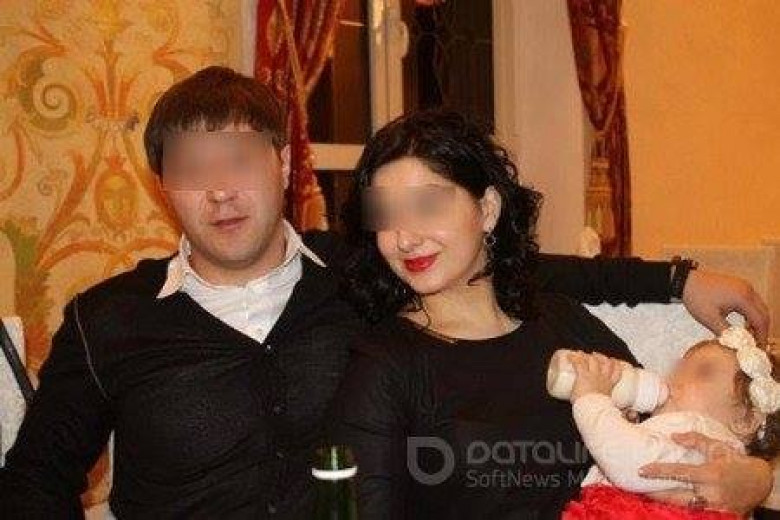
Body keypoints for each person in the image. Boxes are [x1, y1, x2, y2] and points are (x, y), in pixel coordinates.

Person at [0, 67, 769, 519]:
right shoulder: (109, 319)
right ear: (162, 187)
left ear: (283, 165)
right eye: (192, 169)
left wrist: (678, 279)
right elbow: (35, 482)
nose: (220, 190)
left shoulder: (353, 273)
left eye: (238, 159)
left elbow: (519, 275)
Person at [332, 110, 774, 519]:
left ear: (487, 209)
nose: (404, 238)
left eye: (428, 205)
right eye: (385, 214)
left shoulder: (563, 322)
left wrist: (755, 478)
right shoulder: (384, 364)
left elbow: (669, 432)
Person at [562, 326, 780, 519]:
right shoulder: (692, 436)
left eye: (703, 372)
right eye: (679, 369)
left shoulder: (698, 430)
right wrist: (627, 425)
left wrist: (591, 398)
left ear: (746, 420)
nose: (676, 378)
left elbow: (632, 465)